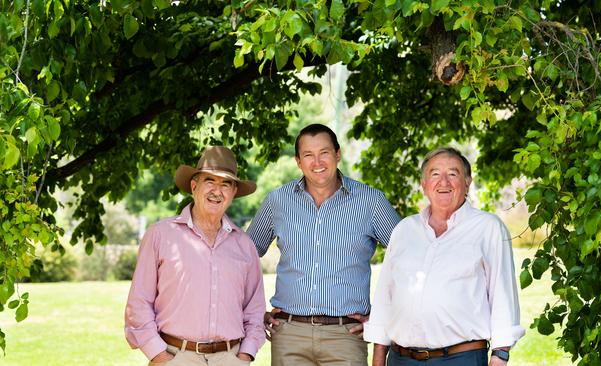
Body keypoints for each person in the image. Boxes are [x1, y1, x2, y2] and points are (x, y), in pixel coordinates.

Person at [247, 123, 401, 366]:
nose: (317, 162)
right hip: (288, 334)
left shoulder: (371, 202)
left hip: (345, 336)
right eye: (308, 155)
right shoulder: (277, 201)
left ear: (337, 154)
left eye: (324, 153)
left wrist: (383, 318)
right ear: (298, 161)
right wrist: (253, 314)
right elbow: (242, 257)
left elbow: (407, 259)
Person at [364, 147, 525, 366]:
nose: (444, 182)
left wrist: (500, 356)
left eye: (453, 174)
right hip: (401, 359)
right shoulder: (404, 230)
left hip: (461, 358)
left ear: (467, 182)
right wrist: (378, 357)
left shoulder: (488, 228)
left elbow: (503, 297)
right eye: (435, 174)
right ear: (424, 184)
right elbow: (385, 297)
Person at [124, 146, 266, 365]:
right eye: (210, 181)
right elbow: (139, 303)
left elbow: (254, 310)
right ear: (194, 186)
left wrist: (244, 356)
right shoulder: (161, 235)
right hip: (174, 356)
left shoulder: (244, 245)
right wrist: (159, 356)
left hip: (230, 358)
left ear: (234, 192)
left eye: (225, 184)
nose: (217, 191)